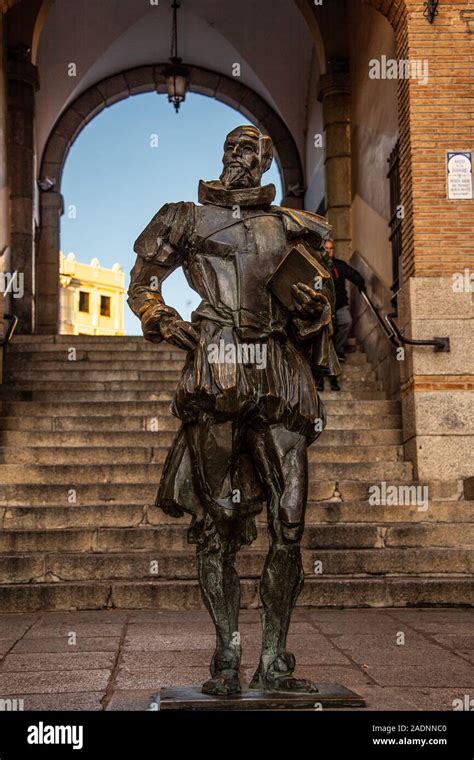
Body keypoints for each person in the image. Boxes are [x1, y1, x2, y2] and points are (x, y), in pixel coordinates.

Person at [128, 125, 339, 696]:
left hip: (277, 367)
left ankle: (275, 657)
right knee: (218, 521)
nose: (239, 157)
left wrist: (316, 309)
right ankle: (227, 653)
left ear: (267, 164)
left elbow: (313, 313)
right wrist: (161, 318)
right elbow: (142, 282)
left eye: (252, 150)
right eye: (232, 147)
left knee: (289, 523)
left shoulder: (294, 228)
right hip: (217, 362)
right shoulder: (185, 218)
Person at [316, 238, 366, 392]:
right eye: (326, 248)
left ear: (334, 250)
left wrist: (361, 285)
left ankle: (338, 351)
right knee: (322, 341)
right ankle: (320, 379)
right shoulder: (316, 267)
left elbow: (354, 275)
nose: (329, 250)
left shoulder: (340, 266)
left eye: (331, 248)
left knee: (346, 322)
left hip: (339, 307)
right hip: (322, 310)